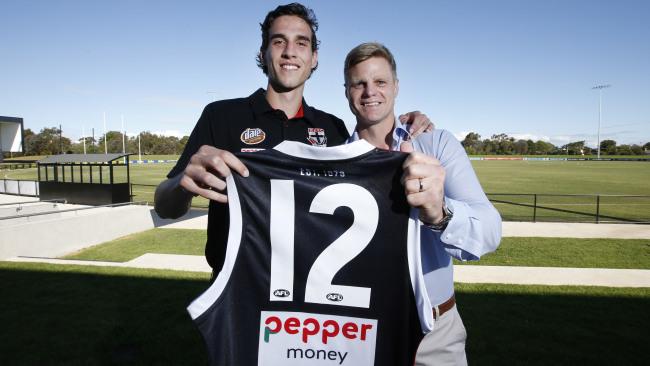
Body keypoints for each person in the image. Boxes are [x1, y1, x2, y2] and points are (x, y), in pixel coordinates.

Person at [154, 3, 431, 274]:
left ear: (314, 58)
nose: (289, 52)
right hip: (236, 293)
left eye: (301, 43)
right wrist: (182, 184)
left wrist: (406, 121)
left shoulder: (332, 128)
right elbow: (166, 208)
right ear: (263, 54)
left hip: (306, 296)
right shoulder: (221, 116)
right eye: (278, 42)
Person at [343, 42, 502, 365]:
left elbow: (489, 232)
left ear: (396, 87)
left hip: (436, 332)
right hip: (360, 328)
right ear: (346, 90)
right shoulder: (334, 160)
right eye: (359, 83)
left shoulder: (436, 143)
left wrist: (439, 212)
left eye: (380, 82)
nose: (369, 91)